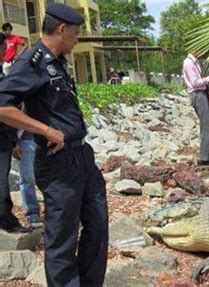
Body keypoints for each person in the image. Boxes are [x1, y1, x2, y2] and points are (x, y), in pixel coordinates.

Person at [0, 3, 108, 286]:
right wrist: (46, 130)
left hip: (81, 156)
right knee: (62, 238)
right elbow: (2, 106)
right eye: (75, 33)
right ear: (62, 29)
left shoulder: (57, 60)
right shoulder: (31, 62)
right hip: (57, 164)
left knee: (97, 225)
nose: (77, 39)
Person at [182, 50, 209, 165]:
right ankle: (204, 159)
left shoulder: (196, 62)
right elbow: (195, 83)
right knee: (207, 127)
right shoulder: (188, 63)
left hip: (202, 94)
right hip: (198, 94)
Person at [13, 127, 41, 227]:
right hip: (25, 139)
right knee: (27, 179)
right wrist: (14, 143)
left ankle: (55, 211)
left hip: (46, 138)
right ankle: (32, 214)